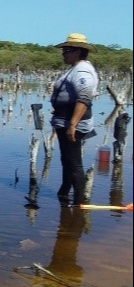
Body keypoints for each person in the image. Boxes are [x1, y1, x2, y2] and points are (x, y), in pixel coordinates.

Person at [50, 33, 98, 205]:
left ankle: (79, 203)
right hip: (65, 121)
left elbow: (84, 98)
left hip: (73, 123)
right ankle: (64, 193)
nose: (63, 53)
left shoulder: (82, 71)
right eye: (63, 50)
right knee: (67, 160)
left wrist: (72, 124)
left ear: (78, 51)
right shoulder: (75, 68)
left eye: (67, 50)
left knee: (74, 163)